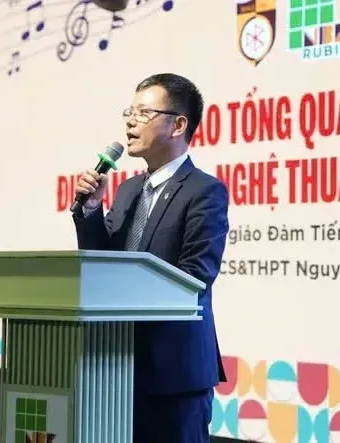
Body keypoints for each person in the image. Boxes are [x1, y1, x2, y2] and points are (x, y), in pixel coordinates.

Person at [72, 73, 229, 443]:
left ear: (178, 125)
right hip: (116, 367)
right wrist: (91, 210)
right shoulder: (128, 189)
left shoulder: (204, 191)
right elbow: (103, 264)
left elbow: (195, 276)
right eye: (129, 112)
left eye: (143, 113)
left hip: (173, 371)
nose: (130, 122)